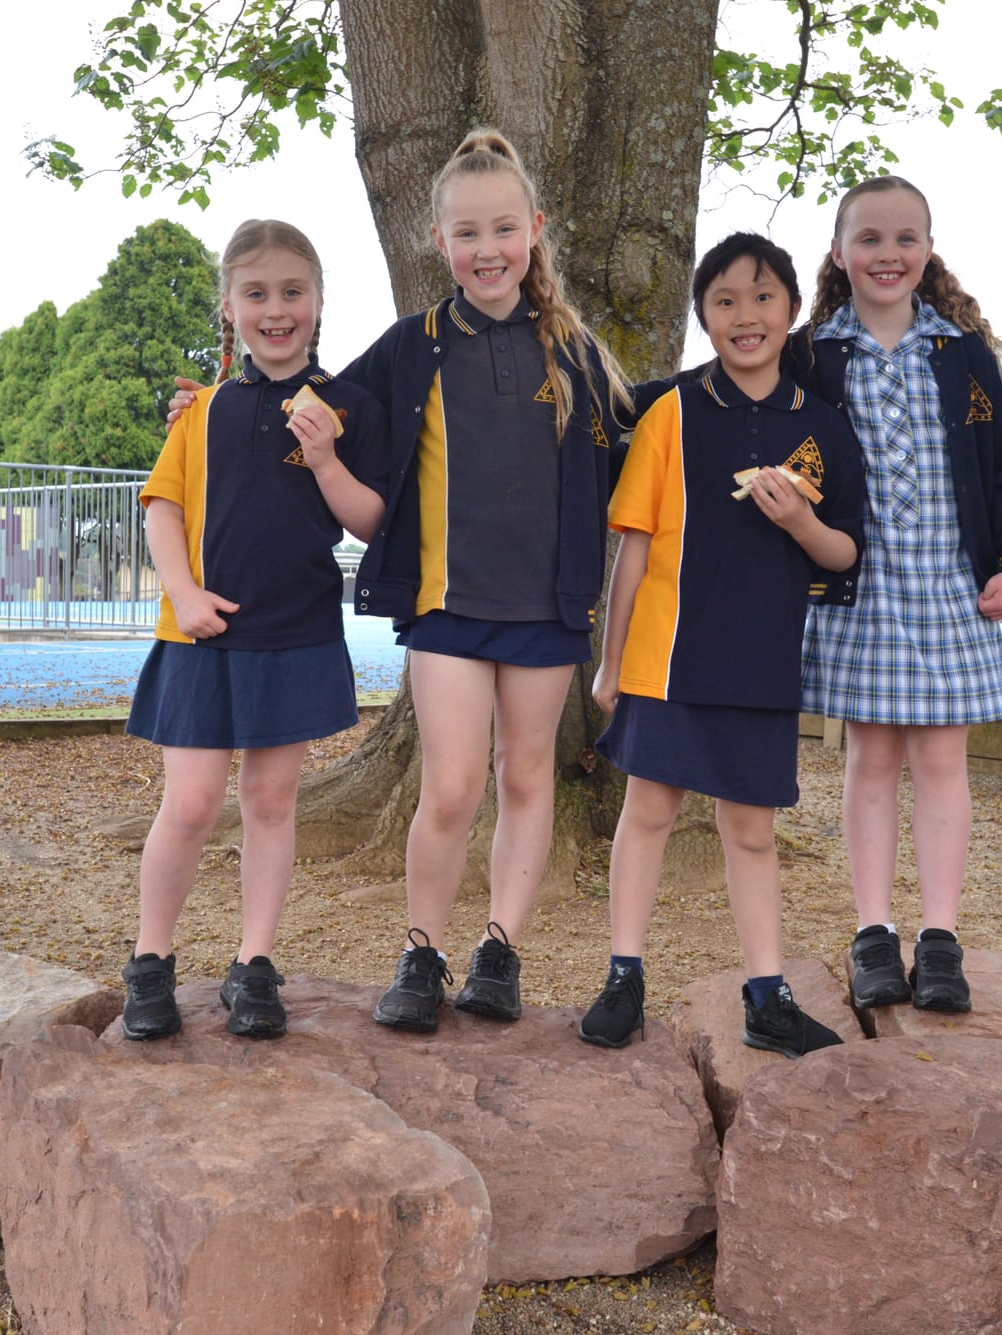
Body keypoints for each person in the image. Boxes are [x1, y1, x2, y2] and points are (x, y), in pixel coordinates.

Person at [338, 128, 632, 1034]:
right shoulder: (412, 345)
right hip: (447, 609)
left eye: (504, 229)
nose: (488, 249)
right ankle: (421, 951)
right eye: (467, 233)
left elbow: (653, 434)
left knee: (527, 777)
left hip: (546, 611)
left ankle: (499, 949)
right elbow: (312, 408)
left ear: (534, 230)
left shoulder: (576, 354)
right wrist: (217, 406)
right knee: (455, 784)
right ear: (439, 242)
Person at [576, 233, 864, 1055]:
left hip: (762, 665)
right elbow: (632, 543)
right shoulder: (672, 412)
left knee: (751, 831)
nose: (747, 315)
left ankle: (766, 996)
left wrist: (799, 520)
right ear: (704, 317)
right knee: (649, 811)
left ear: (793, 310)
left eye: (763, 297)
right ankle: (624, 978)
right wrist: (609, 659)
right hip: (667, 659)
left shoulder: (824, 430)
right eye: (726, 301)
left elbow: (845, 551)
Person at [121, 219, 389, 1043]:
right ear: (229, 307)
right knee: (194, 802)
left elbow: (373, 522)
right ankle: (150, 962)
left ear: (317, 302)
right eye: (257, 293)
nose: (277, 310)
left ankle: (254, 964)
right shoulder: (200, 411)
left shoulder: (347, 406)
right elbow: (161, 508)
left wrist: (327, 462)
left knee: (271, 800)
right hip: (199, 635)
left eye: (292, 292)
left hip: (295, 633)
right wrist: (184, 592)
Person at [790, 176, 1002, 1016]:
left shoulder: (963, 355)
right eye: (868, 239)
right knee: (870, 759)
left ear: (928, 251)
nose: (887, 254)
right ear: (838, 253)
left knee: (941, 762)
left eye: (905, 239)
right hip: (857, 592)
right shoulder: (812, 356)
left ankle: (938, 938)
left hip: (948, 593)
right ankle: (872, 934)